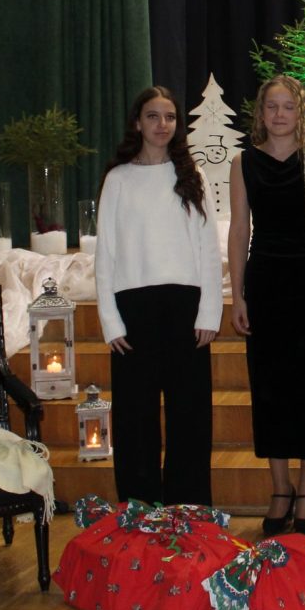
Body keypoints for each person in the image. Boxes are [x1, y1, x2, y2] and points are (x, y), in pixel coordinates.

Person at [227, 75, 305, 535]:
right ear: (261, 113)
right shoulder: (243, 162)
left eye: (288, 107)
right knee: (269, 387)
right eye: (272, 107)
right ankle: (281, 487)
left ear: (301, 113)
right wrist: (238, 294)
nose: (279, 115)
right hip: (264, 281)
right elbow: (240, 229)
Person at [94, 85, 223, 507]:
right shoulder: (118, 179)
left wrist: (209, 313)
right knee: (135, 416)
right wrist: (111, 321)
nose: (162, 124)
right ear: (138, 123)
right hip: (134, 310)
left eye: (169, 117)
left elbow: (208, 249)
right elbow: (106, 254)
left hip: (186, 307)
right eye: (153, 116)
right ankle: (140, 508)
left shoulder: (192, 176)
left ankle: (188, 508)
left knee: (190, 414)